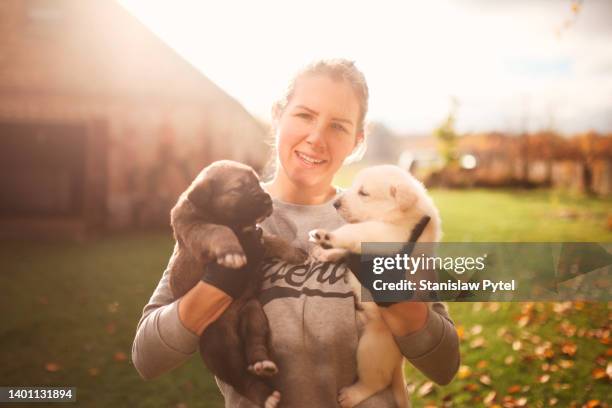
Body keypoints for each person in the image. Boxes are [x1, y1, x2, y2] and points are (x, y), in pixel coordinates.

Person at [132, 59, 460, 407]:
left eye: (338, 126)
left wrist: (395, 295)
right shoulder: (224, 219)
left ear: (356, 141)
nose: (316, 138)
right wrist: (216, 287)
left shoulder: (382, 221)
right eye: (304, 115)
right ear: (278, 115)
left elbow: (444, 366)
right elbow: (147, 358)